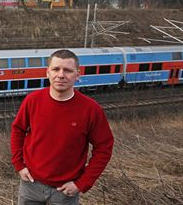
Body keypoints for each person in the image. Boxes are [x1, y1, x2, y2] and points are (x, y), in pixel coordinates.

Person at [10, 49, 114, 205]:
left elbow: (104, 147)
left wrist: (82, 183)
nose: (61, 75)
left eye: (68, 70)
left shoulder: (91, 110)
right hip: (30, 185)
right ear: (47, 73)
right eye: (56, 69)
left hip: (65, 192)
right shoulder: (32, 101)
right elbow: (17, 130)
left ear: (77, 75)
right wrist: (19, 164)